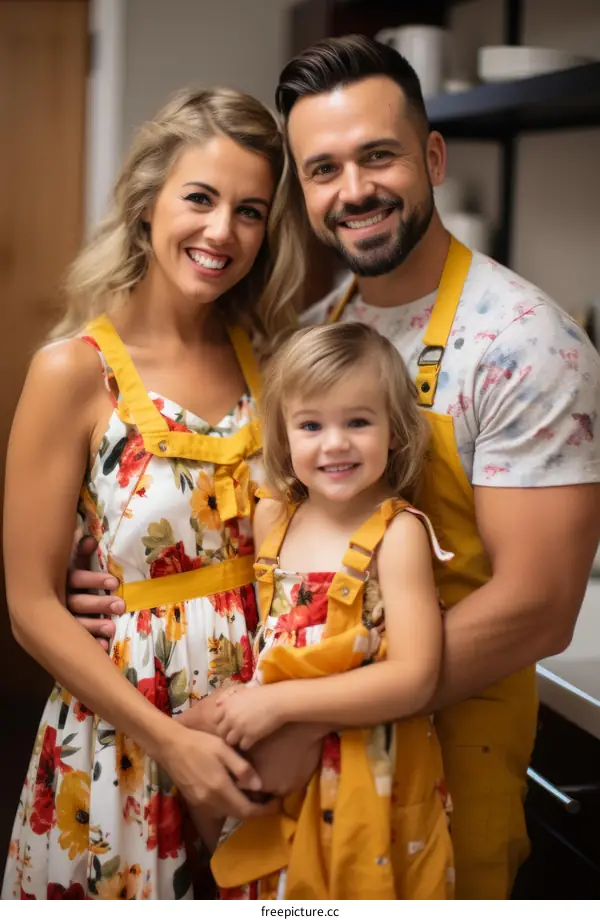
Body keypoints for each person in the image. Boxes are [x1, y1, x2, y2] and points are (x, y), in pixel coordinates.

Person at [66, 35, 600, 899]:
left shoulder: (522, 344)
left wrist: (300, 711)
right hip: (296, 798)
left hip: (443, 790)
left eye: (378, 156)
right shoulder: (315, 331)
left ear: (431, 156)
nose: (354, 191)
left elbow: (539, 605)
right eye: (322, 170)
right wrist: (104, 562)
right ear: (301, 195)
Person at [2, 86, 306, 900]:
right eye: (199, 199)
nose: (221, 232)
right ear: (147, 206)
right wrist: (172, 744)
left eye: (250, 211)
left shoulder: (272, 363)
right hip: (124, 741)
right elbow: (31, 605)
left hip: (263, 734)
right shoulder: (72, 372)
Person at [208, 322, 454, 899]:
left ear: (394, 432)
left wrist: (277, 705)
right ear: (285, 435)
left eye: (358, 422)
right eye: (311, 425)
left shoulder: (399, 535)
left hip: (372, 783)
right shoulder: (275, 520)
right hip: (278, 790)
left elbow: (415, 679)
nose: (335, 443)